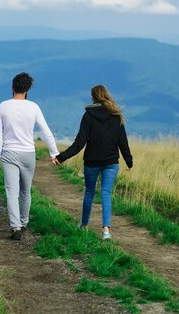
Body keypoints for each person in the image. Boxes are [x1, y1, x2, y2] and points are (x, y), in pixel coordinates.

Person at [54, 84, 133, 240]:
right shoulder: (116, 116)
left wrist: (61, 157)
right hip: (111, 162)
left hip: (91, 162)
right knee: (106, 193)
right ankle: (105, 231)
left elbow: (79, 143)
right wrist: (129, 162)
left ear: (93, 97)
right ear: (106, 95)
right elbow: (122, 142)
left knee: (89, 192)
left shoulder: (88, 115)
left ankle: (84, 225)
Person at [0, 72, 59, 240]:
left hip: (9, 152)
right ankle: (23, 223)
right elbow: (46, 131)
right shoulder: (34, 107)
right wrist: (54, 153)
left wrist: (0, 152)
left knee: (11, 192)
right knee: (26, 191)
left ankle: (15, 228)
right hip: (28, 153)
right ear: (28, 88)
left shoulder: (3, 106)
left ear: (12, 87)